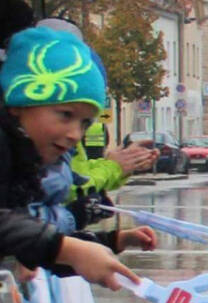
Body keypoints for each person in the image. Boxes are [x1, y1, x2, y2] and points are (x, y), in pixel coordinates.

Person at [0, 27, 149, 288]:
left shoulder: (27, 159)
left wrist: (111, 242)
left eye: (85, 123)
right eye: (66, 114)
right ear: (19, 104)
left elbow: (29, 243)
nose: (74, 134)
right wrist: (66, 249)